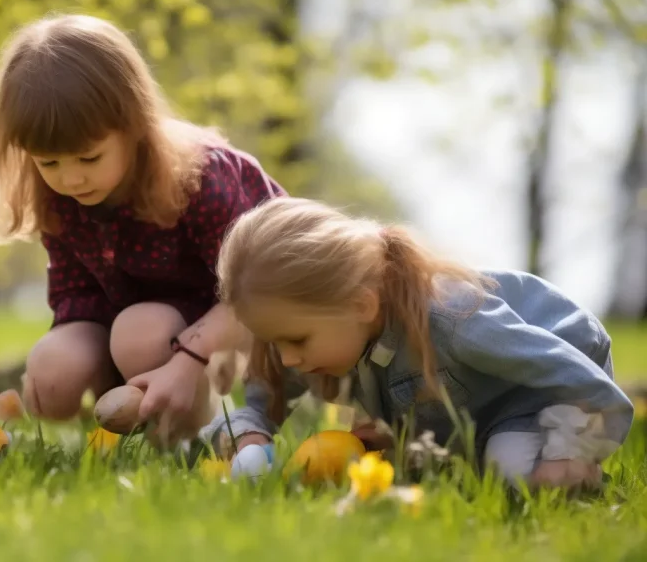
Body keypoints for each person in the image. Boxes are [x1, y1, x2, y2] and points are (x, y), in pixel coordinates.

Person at [0, 13, 285, 444]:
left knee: (141, 332)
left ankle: (189, 432)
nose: (71, 179)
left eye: (89, 158)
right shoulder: (57, 193)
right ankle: (121, 433)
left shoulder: (201, 178)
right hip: (130, 328)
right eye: (49, 163)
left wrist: (188, 359)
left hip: (232, 321)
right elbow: (77, 293)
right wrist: (59, 370)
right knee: (55, 367)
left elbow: (255, 293)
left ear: (134, 125)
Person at [200, 197, 633, 490]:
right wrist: (248, 440)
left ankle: (577, 473)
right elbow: (258, 404)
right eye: (274, 342)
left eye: (295, 340)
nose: (287, 358)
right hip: (481, 406)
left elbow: (571, 371)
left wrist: (574, 447)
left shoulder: (455, 321)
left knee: (511, 472)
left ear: (361, 305)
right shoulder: (322, 330)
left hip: (542, 388)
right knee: (423, 464)